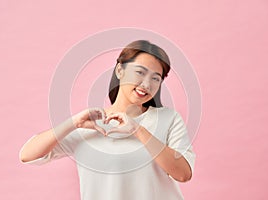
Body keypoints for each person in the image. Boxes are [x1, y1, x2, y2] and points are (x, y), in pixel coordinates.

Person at [19, 40, 195, 200]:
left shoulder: (168, 119)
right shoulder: (90, 125)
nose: (146, 84)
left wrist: (138, 130)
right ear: (120, 70)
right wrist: (73, 123)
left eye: (156, 78)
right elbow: (27, 155)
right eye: (140, 72)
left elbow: (183, 174)